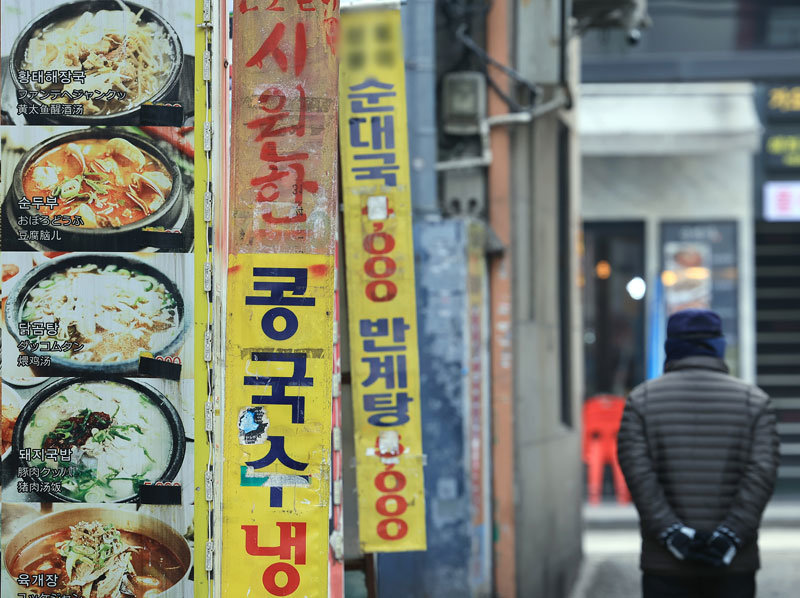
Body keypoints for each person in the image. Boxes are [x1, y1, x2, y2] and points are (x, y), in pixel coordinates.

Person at [617, 309, 780, 598]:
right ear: (719, 346)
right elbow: (762, 474)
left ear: (671, 346)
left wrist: (672, 533)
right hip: (733, 563)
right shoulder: (754, 401)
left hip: (665, 564)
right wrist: (730, 536)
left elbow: (638, 474)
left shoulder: (641, 400)